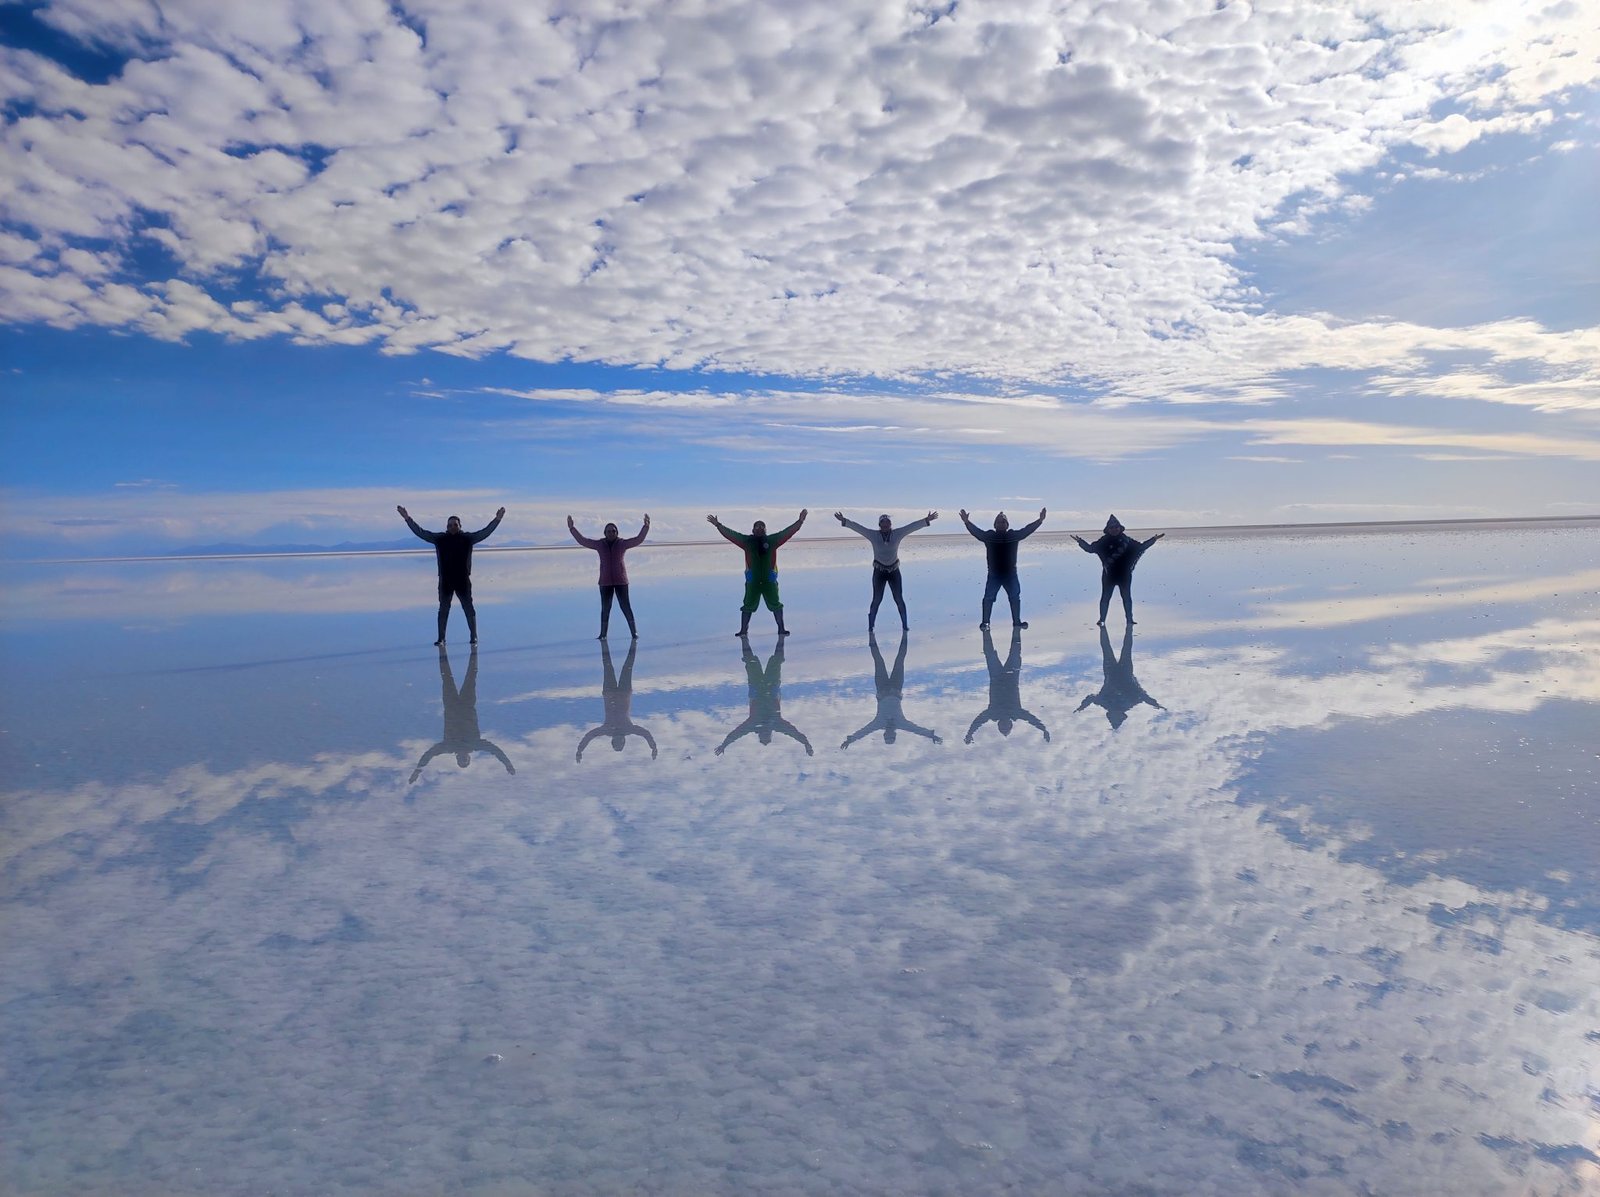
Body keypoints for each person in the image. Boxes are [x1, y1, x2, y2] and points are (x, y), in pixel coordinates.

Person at [398, 504, 505, 645]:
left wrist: (497, 519)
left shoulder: (468, 538)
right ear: (446, 527)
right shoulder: (440, 539)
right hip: (445, 581)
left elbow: (484, 533)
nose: (452, 527)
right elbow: (421, 533)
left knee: (468, 608)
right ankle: (441, 638)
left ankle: (474, 636)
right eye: (450, 525)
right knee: (443, 609)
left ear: (460, 525)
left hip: (463, 580)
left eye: (455, 524)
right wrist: (407, 518)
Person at [409, 645, 515, 783]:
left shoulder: (449, 745)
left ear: (458, 758)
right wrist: (507, 764)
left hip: (452, 704)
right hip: (466, 703)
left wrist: (417, 771)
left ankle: (445, 650)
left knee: (449, 676)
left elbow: (429, 754)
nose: (463, 758)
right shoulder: (475, 744)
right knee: (471, 675)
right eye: (465, 760)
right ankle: (472, 650)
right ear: (469, 758)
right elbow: (496, 751)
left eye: (461, 760)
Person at [707, 509, 807, 637]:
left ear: (765, 530)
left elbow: (787, 533)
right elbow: (731, 534)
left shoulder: (772, 540)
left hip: (769, 581)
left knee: (775, 604)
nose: (759, 528)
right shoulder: (746, 541)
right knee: (748, 605)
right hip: (753, 582)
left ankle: (781, 629)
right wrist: (718, 525)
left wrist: (800, 522)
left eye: (762, 526)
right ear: (753, 530)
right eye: (757, 526)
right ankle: (743, 630)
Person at [834, 509, 938, 631]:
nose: (886, 524)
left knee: (898, 598)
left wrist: (926, 520)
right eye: (883, 522)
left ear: (890, 524)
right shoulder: (873, 535)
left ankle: (905, 625)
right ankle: (871, 625)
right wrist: (844, 521)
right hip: (879, 572)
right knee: (877, 599)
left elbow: (911, 527)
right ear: (880, 525)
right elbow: (859, 528)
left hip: (894, 571)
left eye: (888, 522)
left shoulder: (897, 534)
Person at [840, 630, 942, 749]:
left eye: (887, 735)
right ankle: (905, 633)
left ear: (884, 734)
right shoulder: (901, 723)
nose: (889, 733)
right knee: (900, 660)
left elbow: (864, 731)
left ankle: (871, 635)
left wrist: (850, 740)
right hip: (896, 687)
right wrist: (931, 736)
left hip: (882, 687)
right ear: (894, 734)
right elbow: (916, 729)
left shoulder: (878, 723)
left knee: (878, 661)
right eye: (891, 735)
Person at [715, 637, 813, 756]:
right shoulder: (777, 724)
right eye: (767, 734)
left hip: (757, 686)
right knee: (776, 661)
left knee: (750, 661)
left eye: (763, 734)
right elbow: (794, 733)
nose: (765, 731)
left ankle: (744, 639)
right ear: (770, 732)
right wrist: (806, 744)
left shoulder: (753, 724)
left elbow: (737, 733)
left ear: (759, 733)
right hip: (771, 686)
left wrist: (725, 744)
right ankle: (781, 637)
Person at [959, 507, 1046, 629]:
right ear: (995, 525)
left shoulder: (1013, 535)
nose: (1001, 524)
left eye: (1003, 522)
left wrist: (1040, 520)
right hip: (994, 574)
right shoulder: (989, 536)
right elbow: (977, 532)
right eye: (999, 522)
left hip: (1010, 574)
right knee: (989, 597)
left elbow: (1027, 530)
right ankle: (985, 622)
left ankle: (1017, 622)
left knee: (1015, 597)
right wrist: (967, 522)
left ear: (1007, 524)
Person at [568, 513, 649, 639]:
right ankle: (603, 634)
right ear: (604, 533)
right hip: (605, 582)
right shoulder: (599, 544)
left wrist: (646, 527)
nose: (611, 533)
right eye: (608, 531)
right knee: (605, 609)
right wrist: (572, 529)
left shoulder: (622, 544)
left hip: (621, 581)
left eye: (613, 531)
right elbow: (583, 541)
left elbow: (637, 540)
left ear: (617, 532)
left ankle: (634, 633)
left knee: (626, 607)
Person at [965, 625, 1050, 744]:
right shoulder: (1015, 712)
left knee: (992, 654)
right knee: (1014, 651)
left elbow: (978, 722)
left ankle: (986, 631)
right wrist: (1043, 729)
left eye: (1003, 727)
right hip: (1010, 677)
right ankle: (1015, 628)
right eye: (1006, 726)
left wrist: (970, 733)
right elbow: (1031, 719)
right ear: (1010, 724)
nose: (1004, 724)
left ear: (1000, 724)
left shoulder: (993, 713)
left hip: (997, 677)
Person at [1073, 515, 1164, 626]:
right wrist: (1080, 541)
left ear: (1120, 528)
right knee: (1105, 597)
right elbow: (1091, 549)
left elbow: (1140, 547)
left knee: (1126, 598)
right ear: (1108, 529)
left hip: (1124, 575)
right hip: (1108, 575)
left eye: (1116, 527)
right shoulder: (1103, 541)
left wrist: (1153, 540)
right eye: (1112, 527)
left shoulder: (1127, 540)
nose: (1114, 529)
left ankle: (1129, 619)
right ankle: (1102, 620)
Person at [576, 639, 657, 761]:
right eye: (621, 743)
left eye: (617, 743)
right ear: (623, 741)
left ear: (613, 741)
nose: (619, 740)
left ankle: (607, 643)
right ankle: (631, 643)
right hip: (622, 692)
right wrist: (653, 747)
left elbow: (590, 736)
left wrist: (580, 750)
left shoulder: (608, 730)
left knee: (610, 664)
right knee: (625, 665)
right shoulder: (627, 729)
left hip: (610, 693)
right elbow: (645, 734)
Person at [1076, 624, 1165, 730]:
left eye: (1112, 716)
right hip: (1125, 671)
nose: (1112, 714)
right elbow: (1143, 697)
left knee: (1107, 648)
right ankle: (1127, 627)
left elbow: (1091, 698)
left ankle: (1106, 628)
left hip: (1111, 671)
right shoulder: (1128, 703)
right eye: (1115, 716)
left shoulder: (1105, 704)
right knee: (1126, 648)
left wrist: (1082, 706)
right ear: (1121, 715)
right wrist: (1156, 704)